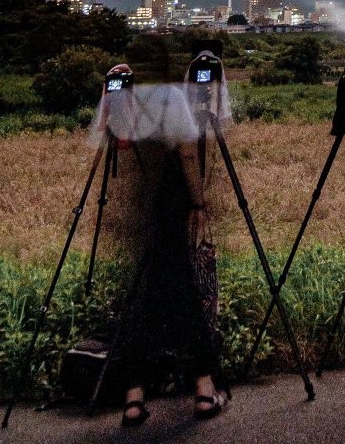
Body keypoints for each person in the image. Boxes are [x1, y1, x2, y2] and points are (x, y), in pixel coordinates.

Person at [102, 46, 226, 423]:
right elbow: (188, 155)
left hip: (143, 213)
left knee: (143, 300)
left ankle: (134, 395)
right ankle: (204, 388)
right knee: (185, 293)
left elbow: (114, 153)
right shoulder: (173, 98)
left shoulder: (135, 99)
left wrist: (114, 97)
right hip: (172, 209)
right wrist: (199, 203)